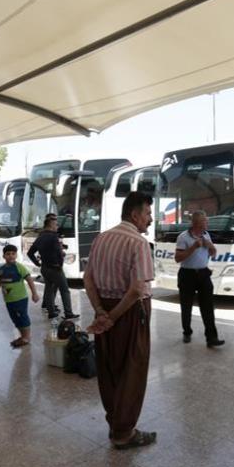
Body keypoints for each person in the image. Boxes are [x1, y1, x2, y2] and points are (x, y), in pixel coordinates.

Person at [84, 192, 157, 450]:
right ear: (135, 215)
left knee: (109, 368)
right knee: (132, 369)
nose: (150, 219)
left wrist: (101, 312)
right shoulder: (138, 243)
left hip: (104, 308)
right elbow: (137, 289)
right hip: (129, 312)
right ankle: (124, 432)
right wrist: (113, 318)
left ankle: (115, 421)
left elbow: (88, 279)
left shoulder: (101, 238)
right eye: (148, 213)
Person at [174, 210, 224, 347]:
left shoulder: (206, 235)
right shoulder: (183, 237)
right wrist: (193, 247)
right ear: (196, 223)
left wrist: (211, 246)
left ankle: (212, 337)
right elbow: (178, 258)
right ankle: (187, 332)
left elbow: (213, 254)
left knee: (208, 306)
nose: (207, 223)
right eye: (204, 221)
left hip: (203, 273)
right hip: (187, 274)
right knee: (186, 306)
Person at [0, 244, 40, 348]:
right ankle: (23, 336)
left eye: (13, 253)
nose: (11, 256)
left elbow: (29, 280)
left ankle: (26, 337)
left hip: (20, 299)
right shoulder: (2, 270)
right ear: (4, 256)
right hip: (9, 300)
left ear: (16, 255)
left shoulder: (19, 267)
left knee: (22, 317)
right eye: (8, 254)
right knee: (15, 319)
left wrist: (34, 293)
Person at [28, 216, 77, 320]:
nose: (57, 226)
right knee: (65, 290)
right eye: (56, 224)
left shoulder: (40, 237)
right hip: (55, 268)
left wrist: (37, 263)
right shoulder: (54, 237)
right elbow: (59, 254)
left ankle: (51, 312)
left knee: (49, 289)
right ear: (50, 225)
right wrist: (60, 264)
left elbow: (30, 253)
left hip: (44, 268)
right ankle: (68, 313)